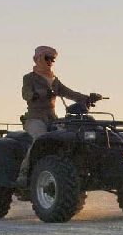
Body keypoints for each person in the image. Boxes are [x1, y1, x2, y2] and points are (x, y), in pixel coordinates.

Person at [17, 46, 99, 182]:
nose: (50, 61)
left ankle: (71, 171)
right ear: (38, 59)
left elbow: (69, 93)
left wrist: (87, 98)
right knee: (39, 139)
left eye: (52, 59)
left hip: (53, 119)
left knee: (71, 137)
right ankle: (24, 173)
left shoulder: (53, 80)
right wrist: (38, 94)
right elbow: (26, 94)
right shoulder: (29, 78)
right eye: (47, 58)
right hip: (35, 118)